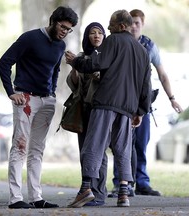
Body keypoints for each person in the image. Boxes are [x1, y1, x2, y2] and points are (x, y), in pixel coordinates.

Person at [65, 9, 152, 207]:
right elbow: (146, 84)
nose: (108, 29)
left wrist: (75, 61)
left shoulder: (113, 41)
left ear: (121, 26)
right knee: (123, 149)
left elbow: (96, 63)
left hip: (106, 101)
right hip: (128, 108)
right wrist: (140, 110)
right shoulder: (142, 51)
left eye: (111, 25)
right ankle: (123, 193)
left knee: (93, 145)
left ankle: (85, 189)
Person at [0, 6, 78, 209]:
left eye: (69, 29)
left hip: (46, 101)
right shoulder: (30, 38)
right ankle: (15, 198)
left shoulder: (61, 46)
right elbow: (5, 62)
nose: (64, 31)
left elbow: (55, 70)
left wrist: (51, 93)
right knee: (20, 147)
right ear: (53, 21)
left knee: (37, 150)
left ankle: (36, 197)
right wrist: (11, 92)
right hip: (25, 99)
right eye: (62, 26)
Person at [109, 9, 183, 198]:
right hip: (123, 101)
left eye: (137, 23)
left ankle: (141, 182)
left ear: (143, 24)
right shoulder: (117, 41)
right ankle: (121, 184)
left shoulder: (149, 46)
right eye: (131, 22)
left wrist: (172, 98)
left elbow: (162, 74)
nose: (133, 26)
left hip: (143, 102)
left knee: (141, 144)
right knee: (121, 144)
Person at [66, 22, 107, 207]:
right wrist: (75, 67)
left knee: (99, 151)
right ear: (87, 37)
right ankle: (86, 190)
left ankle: (98, 193)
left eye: (100, 33)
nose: (96, 36)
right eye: (92, 33)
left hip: (100, 108)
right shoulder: (82, 57)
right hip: (83, 108)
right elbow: (74, 84)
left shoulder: (107, 56)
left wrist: (98, 75)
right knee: (85, 150)